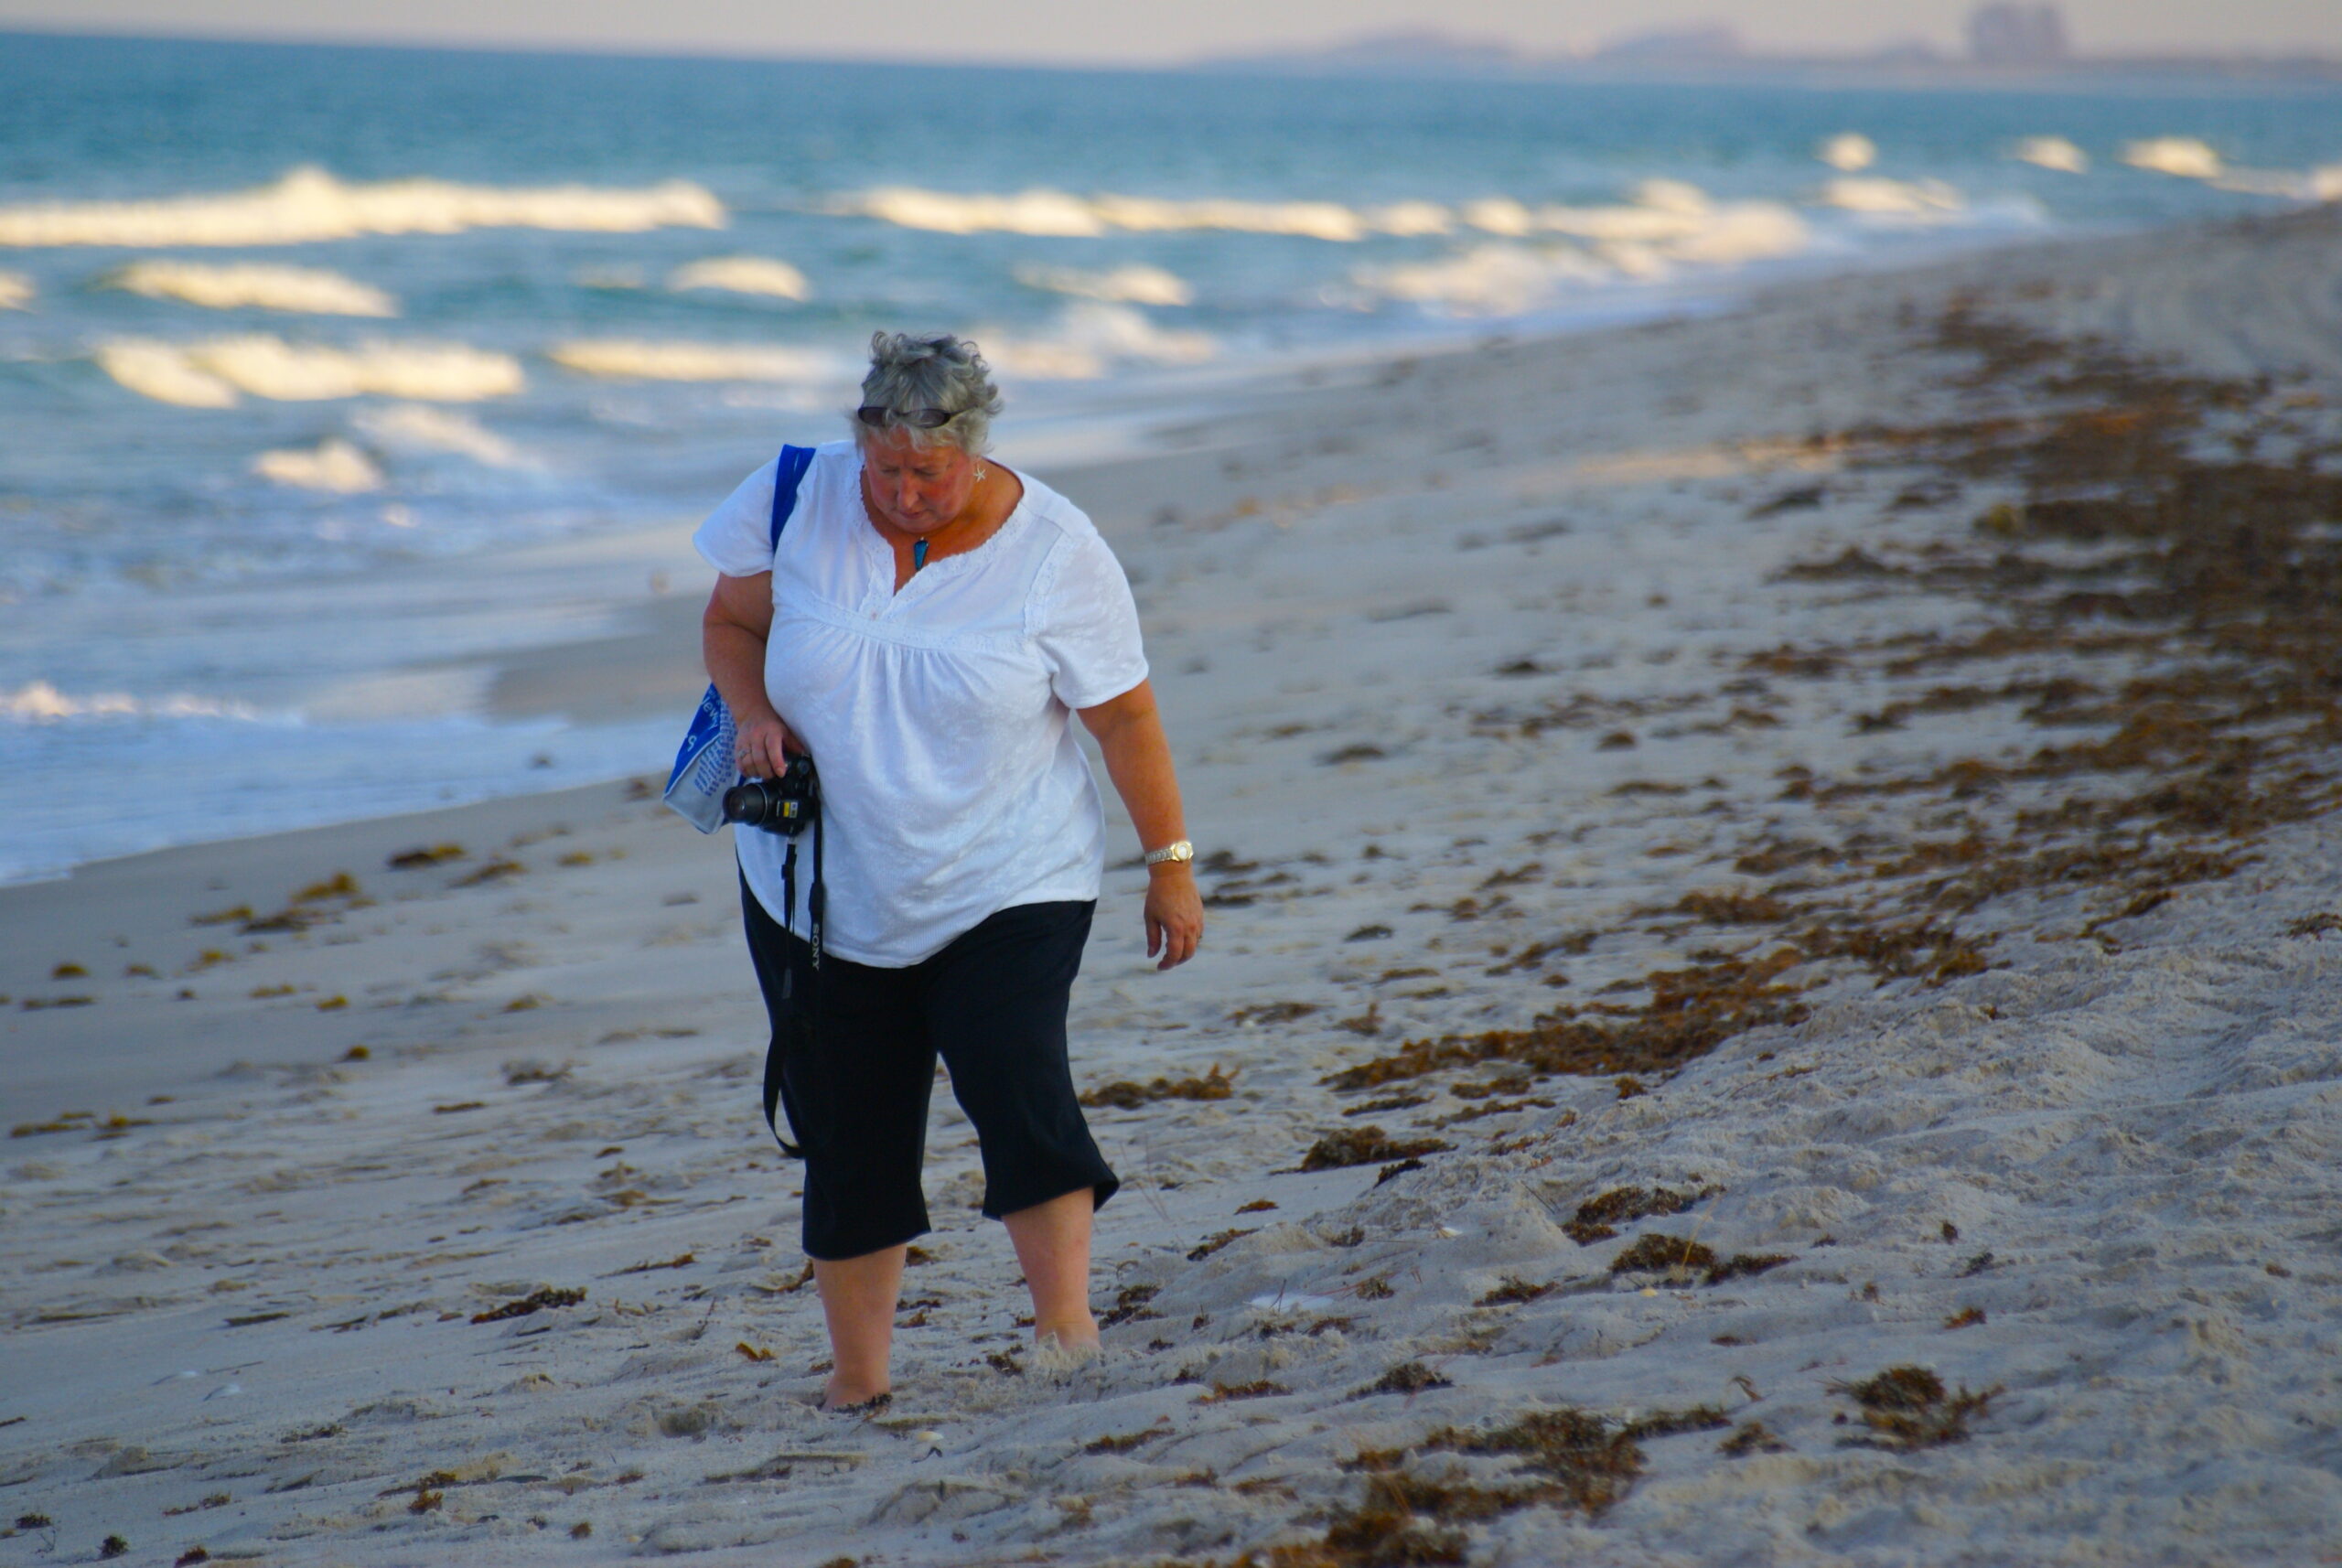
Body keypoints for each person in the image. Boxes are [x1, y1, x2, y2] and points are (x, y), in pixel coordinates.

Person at [694, 330, 1204, 1413]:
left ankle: (1065, 1328)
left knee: (1012, 1074)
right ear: (860, 445)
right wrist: (753, 713)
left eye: (929, 473)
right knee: (847, 1122)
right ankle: (858, 1379)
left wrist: (1169, 863)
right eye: (887, 471)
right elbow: (732, 622)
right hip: (816, 886)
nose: (906, 493)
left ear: (973, 451)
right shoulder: (795, 495)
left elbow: (1123, 715)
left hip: (1006, 872)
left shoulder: (1057, 550)